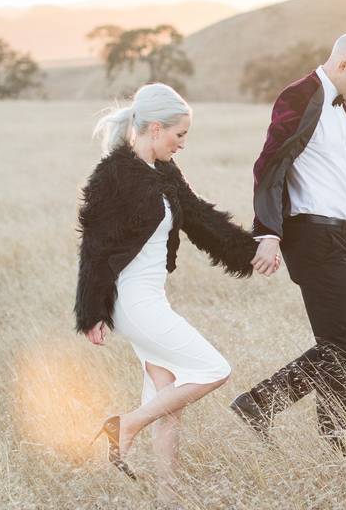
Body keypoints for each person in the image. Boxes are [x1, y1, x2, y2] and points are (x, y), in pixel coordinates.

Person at [74, 82, 279, 486]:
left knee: (168, 397)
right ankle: (125, 426)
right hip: (131, 301)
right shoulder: (113, 175)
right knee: (213, 369)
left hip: (152, 299)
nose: (182, 143)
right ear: (154, 128)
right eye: (179, 134)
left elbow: (200, 218)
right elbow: (94, 246)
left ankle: (169, 494)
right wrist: (91, 312)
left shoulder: (165, 172)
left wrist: (249, 250)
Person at [230, 32, 346, 455]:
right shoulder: (299, 96)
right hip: (312, 236)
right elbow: (270, 163)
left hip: (342, 234)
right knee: (337, 344)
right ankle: (335, 444)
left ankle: (258, 404)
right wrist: (269, 234)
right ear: (344, 64)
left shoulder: (339, 107)